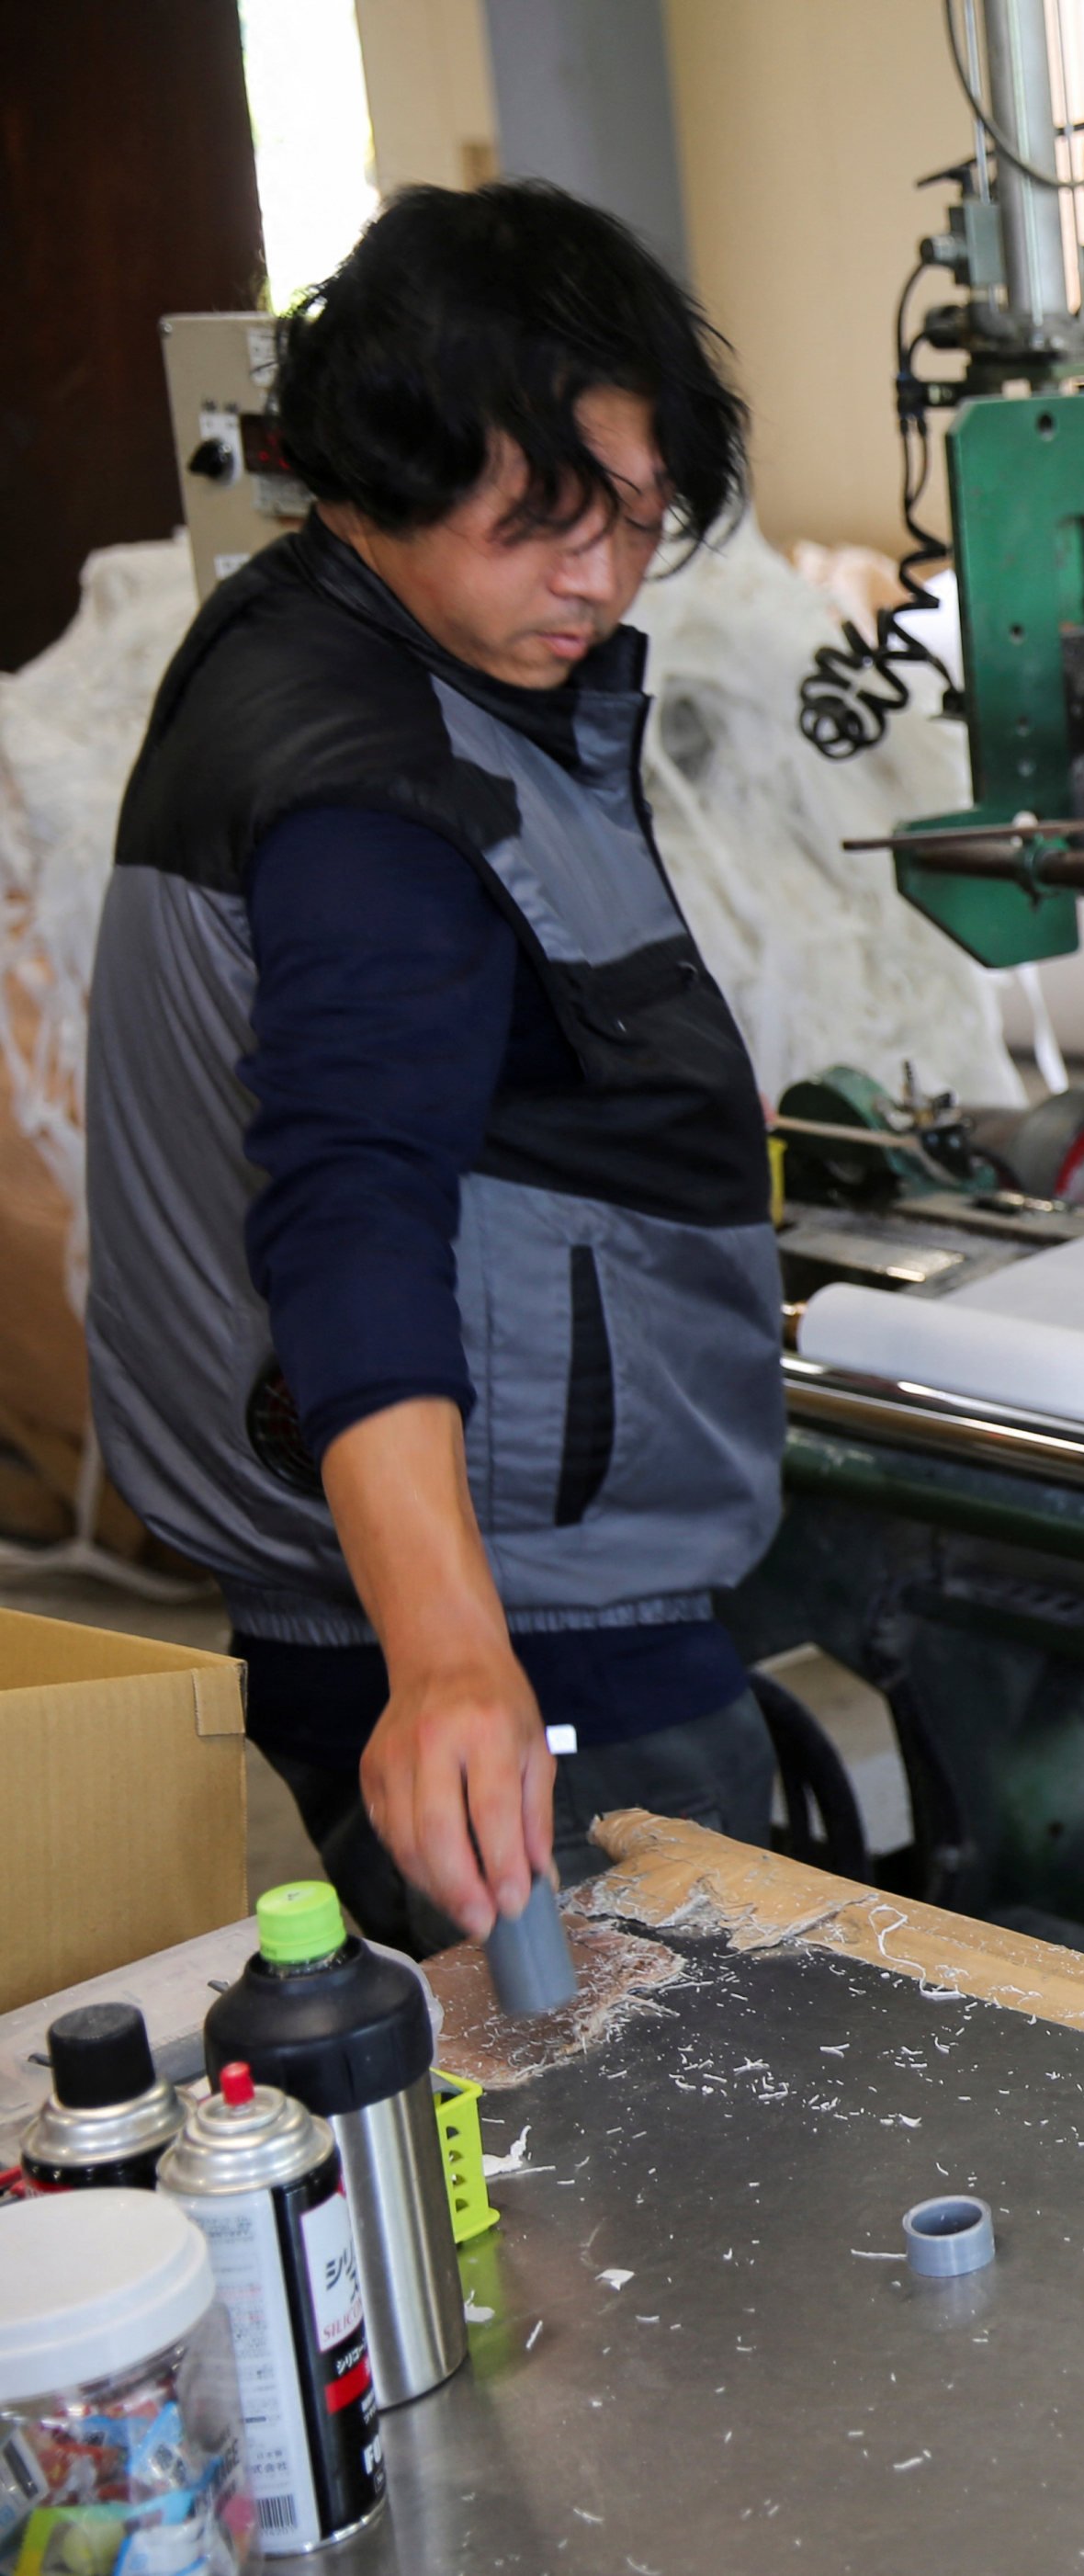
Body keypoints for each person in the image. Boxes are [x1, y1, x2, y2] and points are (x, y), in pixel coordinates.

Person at [85, 183, 782, 1952]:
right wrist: (456, 1656)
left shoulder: (307, 629)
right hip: (520, 1607)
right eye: (545, 524)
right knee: (660, 2131)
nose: (603, 579)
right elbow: (347, 1218)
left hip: (489, 1556)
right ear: (387, 471)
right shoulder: (373, 798)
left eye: (637, 522)